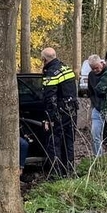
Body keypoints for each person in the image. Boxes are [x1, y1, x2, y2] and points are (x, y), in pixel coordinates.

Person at [39, 46, 76, 176]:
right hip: (71, 111)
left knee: (54, 143)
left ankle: (56, 174)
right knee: (69, 142)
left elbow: (50, 99)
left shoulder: (51, 73)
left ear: (44, 59)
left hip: (59, 113)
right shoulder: (66, 68)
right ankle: (69, 170)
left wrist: (49, 118)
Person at [85, 55, 107, 157]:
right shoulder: (91, 75)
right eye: (92, 68)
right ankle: (98, 158)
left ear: (101, 63)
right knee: (95, 135)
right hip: (97, 109)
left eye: (97, 68)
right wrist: (94, 104)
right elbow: (90, 92)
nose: (95, 70)